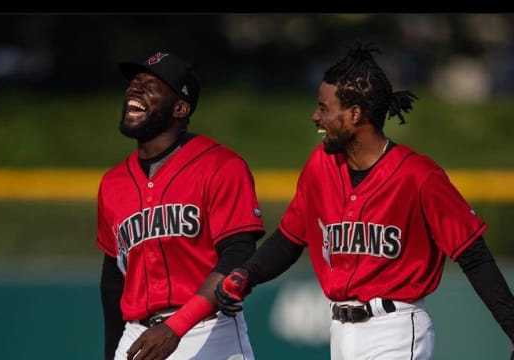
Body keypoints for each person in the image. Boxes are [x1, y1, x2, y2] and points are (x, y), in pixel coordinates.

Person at [215, 41, 514, 360]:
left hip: (395, 329)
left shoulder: (418, 176)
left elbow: (474, 256)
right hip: (340, 334)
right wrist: (247, 274)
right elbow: (289, 240)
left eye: (325, 108)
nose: (316, 117)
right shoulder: (321, 166)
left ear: (355, 114)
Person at [97, 50, 265, 360]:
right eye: (134, 82)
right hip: (136, 335)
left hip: (207, 331)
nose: (135, 88)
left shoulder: (221, 165)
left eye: (151, 84)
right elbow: (113, 277)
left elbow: (238, 253)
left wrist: (177, 325)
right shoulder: (112, 183)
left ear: (180, 107)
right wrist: (111, 352)